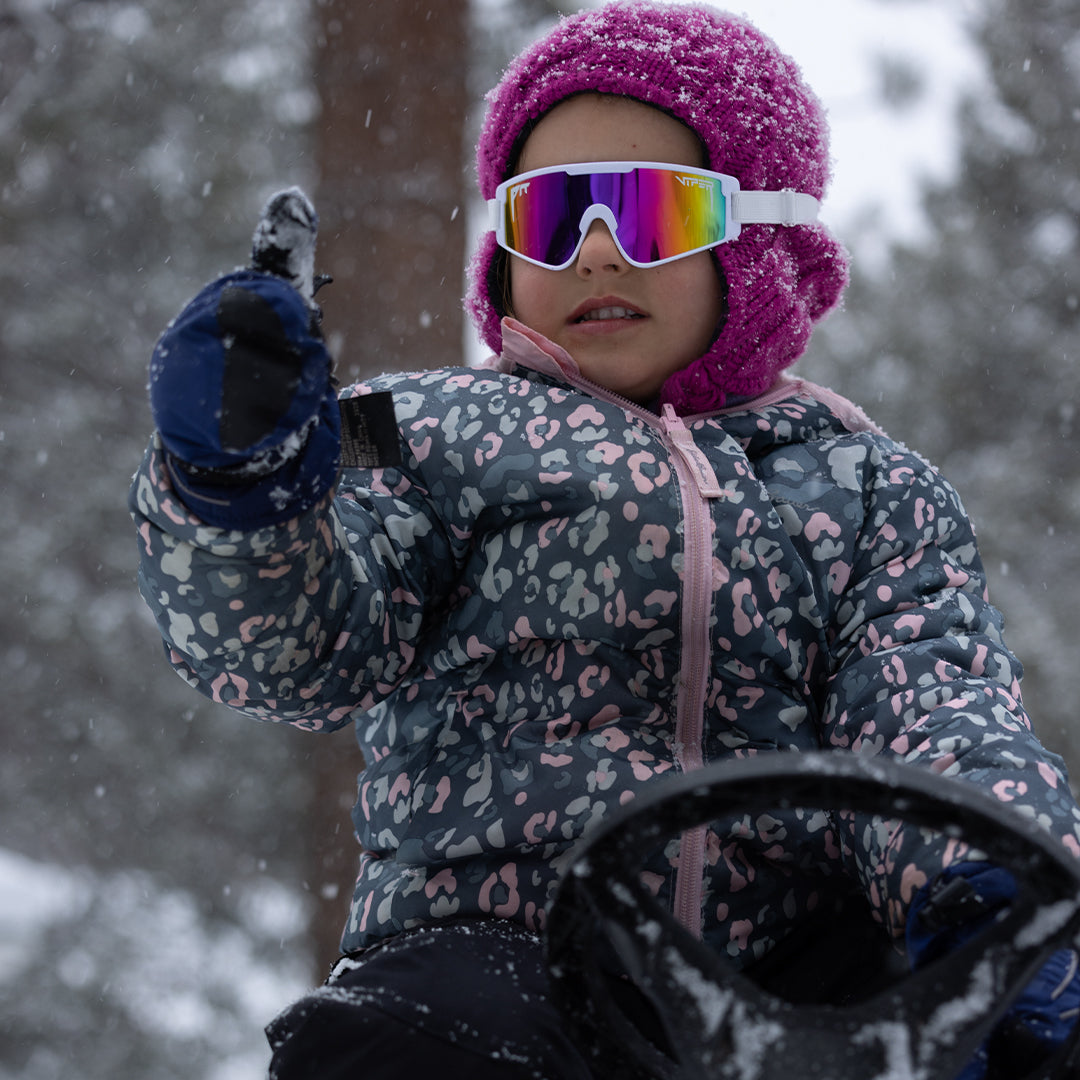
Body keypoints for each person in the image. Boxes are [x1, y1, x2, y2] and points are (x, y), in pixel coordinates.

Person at [129, 3, 1080, 1077]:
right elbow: (297, 653)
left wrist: (989, 883)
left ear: (759, 236)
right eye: (552, 217)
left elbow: (931, 702)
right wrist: (241, 489)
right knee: (403, 1043)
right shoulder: (425, 437)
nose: (593, 252)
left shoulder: (867, 488)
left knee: (991, 1018)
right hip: (503, 952)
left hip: (791, 977)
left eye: (649, 213)